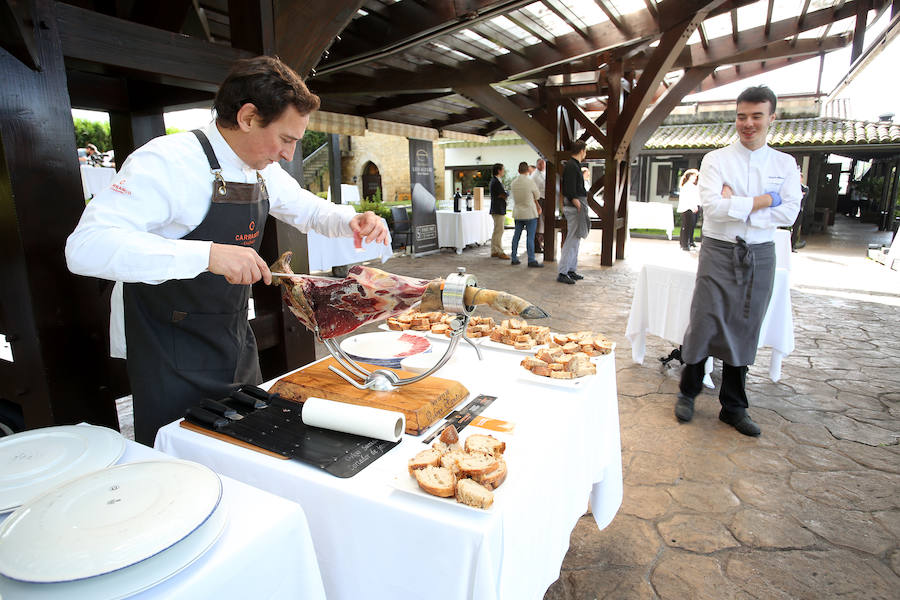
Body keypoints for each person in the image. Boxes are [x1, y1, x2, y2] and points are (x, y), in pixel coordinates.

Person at [65, 56, 389, 444]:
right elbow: (85, 247)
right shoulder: (168, 160)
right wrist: (208, 255)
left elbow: (304, 206)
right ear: (249, 117)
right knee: (185, 452)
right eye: (286, 139)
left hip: (231, 334)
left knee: (243, 441)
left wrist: (350, 220)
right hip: (169, 345)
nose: (288, 154)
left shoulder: (260, 167)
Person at [674, 85, 801, 437]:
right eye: (742, 116)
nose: (748, 123)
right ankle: (688, 392)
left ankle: (733, 406)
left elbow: (789, 212)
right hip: (718, 249)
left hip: (759, 253)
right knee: (704, 321)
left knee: (745, 326)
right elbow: (712, 208)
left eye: (756, 116)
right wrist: (764, 201)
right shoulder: (716, 159)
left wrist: (740, 205)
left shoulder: (784, 163)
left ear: (771, 118)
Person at [557, 141, 589, 284]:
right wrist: (577, 203)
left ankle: (570, 269)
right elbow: (569, 189)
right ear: (582, 151)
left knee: (576, 238)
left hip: (576, 205)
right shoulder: (571, 165)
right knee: (571, 239)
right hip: (574, 206)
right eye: (585, 151)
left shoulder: (573, 165)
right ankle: (563, 271)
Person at [509, 161, 543, 267]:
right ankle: (531, 260)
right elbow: (537, 196)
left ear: (518, 170)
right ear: (528, 170)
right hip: (530, 213)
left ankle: (514, 257)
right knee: (530, 237)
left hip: (518, 212)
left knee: (516, 236)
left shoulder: (513, 183)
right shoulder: (530, 182)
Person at [489, 163, 510, 259]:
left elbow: (503, 194)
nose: (504, 171)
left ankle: (494, 250)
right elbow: (503, 194)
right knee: (499, 230)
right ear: (499, 170)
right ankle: (499, 251)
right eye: (503, 169)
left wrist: (505, 193)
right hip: (498, 209)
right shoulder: (496, 181)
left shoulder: (496, 181)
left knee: (497, 230)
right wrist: (506, 193)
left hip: (497, 208)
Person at [677, 169, 701, 251]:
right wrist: (693, 206)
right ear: (689, 176)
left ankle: (689, 242)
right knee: (686, 227)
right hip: (687, 208)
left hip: (691, 208)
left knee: (690, 226)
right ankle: (684, 244)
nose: (695, 178)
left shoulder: (692, 186)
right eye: (694, 176)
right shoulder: (687, 186)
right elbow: (688, 199)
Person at [531, 158, 547, 253]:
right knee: (538, 224)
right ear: (537, 165)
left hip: (545, 199)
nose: (542, 166)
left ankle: (542, 244)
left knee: (543, 223)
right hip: (538, 200)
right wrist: (537, 204)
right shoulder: (534, 176)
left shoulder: (544, 173)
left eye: (543, 164)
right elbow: (533, 191)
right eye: (540, 164)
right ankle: (537, 246)